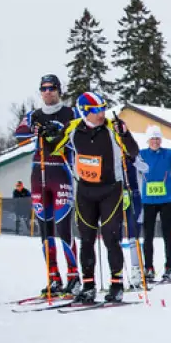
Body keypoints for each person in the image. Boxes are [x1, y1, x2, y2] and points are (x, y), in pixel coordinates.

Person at [65, 91, 140, 303]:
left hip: (111, 189)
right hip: (85, 191)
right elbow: (54, 144)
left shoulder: (111, 128)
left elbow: (133, 151)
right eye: (96, 110)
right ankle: (88, 285)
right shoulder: (73, 129)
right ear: (84, 112)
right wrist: (49, 132)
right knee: (86, 239)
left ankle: (116, 285)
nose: (101, 114)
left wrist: (125, 134)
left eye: (103, 109)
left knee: (110, 236)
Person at [16, 73, 78, 295]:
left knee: (63, 227)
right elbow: (19, 133)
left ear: (59, 90)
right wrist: (37, 130)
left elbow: (79, 131)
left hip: (60, 172)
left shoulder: (70, 113)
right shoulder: (34, 115)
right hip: (38, 173)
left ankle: (74, 276)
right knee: (45, 229)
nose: (47, 92)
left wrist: (57, 131)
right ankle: (53, 278)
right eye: (43, 89)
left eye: (51, 88)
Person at [134, 126, 171, 283]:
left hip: (167, 201)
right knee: (148, 236)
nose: (155, 142)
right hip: (148, 202)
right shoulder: (142, 154)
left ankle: (169, 268)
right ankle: (149, 268)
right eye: (152, 139)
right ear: (148, 140)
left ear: (161, 140)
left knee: (166, 236)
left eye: (157, 139)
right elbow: (131, 162)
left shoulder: (168, 153)